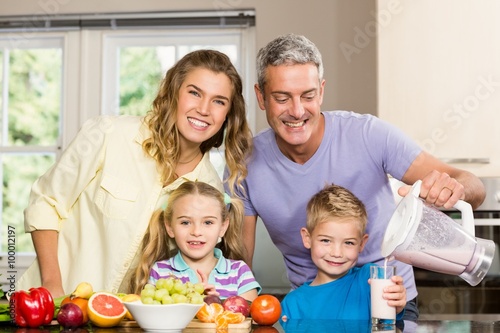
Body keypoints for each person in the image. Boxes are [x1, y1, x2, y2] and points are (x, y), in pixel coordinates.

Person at [225, 33, 486, 321]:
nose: (297, 111)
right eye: (282, 98)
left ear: (321, 91)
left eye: (308, 96)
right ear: (261, 96)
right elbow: (239, 265)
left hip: (388, 303)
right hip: (313, 309)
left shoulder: (369, 135)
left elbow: (474, 186)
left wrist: (453, 187)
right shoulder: (243, 163)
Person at [18, 49, 253, 298]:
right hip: (50, 304)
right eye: (194, 93)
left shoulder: (209, 189)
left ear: (228, 114)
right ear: (174, 92)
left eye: (219, 101)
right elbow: (46, 202)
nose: (204, 109)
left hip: (126, 321)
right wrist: (52, 286)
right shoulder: (108, 134)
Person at [280, 184, 406, 324]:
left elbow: (386, 322)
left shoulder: (370, 280)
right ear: (307, 239)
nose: (337, 253)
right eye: (326, 240)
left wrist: (395, 306)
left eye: (348, 243)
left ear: (362, 244)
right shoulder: (292, 304)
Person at [131, 180, 261, 301]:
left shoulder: (240, 272)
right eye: (185, 222)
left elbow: (250, 320)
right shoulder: (160, 271)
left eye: (208, 222)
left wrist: (216, 304)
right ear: (169, 227)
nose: (196, 232)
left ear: (223, 227)